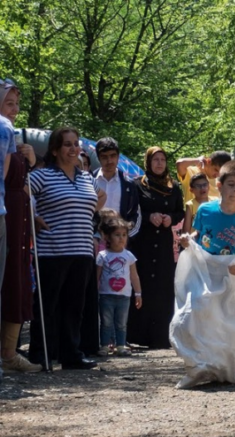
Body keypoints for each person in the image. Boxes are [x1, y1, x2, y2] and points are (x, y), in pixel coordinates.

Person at [175, 160, 235, 389]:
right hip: (203, 270)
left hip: (227, 274)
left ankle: (220, 365)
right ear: (219, 185)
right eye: (231, 184)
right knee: (195, 313)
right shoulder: (205, 210)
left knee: (223, 321)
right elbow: (197, 233)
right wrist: (188, 239)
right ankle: (196, 365)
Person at [28, 127, 105, 370]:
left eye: (76, 144)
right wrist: (34, 216)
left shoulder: (87, 178)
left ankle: (71, 353)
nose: (74, 149)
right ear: (55, 149)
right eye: (67, 144)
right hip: (52, 250)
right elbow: (22, 195)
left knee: (75, 305)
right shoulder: (42, 176)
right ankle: (41, 354)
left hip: (82, 250)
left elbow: (98, 199)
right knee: (48, 305)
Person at [0, 78, 41, 373]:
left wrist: (32, 161)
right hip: (7, 212)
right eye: (8, 103)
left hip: (19, 215)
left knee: (17, 275)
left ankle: (9, 351)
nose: (14, 110)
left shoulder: (15, 139)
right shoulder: (3, 134)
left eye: (16, 104)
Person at [128, 146, 184, 349]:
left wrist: (171, 218)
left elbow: (180, 211)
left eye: (162, 159)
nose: (159, 163)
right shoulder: (137, 185)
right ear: (148, 162)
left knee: (162, 287)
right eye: (155, 159)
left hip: (163, 245)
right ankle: (138, 335)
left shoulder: (174, 186)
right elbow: (132, 211)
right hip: (143, 242)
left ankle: (161, 336)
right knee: (142, 285)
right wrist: (148, 216)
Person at [96, 215, 142, 357]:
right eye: (117, 235)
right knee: (106, 322)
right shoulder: (102, 256)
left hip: (124, 296)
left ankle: (120, 345)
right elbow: (96, 276)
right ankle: (104, 345)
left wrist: (138, 293)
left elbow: (134, 276)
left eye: (124, 235)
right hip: (106, 295)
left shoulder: (129, 256)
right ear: (108, 237)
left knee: (122, 323)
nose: (121, 238)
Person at [93, 137, 141, 237]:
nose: (109, 161)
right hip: (93, 241)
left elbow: (135, 215)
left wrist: (125, 237)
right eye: (104, 157)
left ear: (118, 156)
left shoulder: (129, 184)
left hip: (120, 243)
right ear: (98, 158)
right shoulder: (89, 181)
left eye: (112, 156)